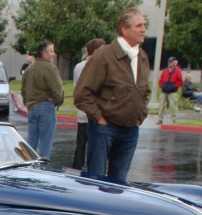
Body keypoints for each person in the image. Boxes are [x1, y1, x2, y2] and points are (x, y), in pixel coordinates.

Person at [74, 7, 151, 183]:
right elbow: (82, 93)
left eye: (144, 25)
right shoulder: (104, 55)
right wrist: (99, 118)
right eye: (138, 25)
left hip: (131, 130)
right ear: (124, 29)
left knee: (120, 183)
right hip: (104, 129)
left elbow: (144, 91)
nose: (143, 29)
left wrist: (141, 115)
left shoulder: (143, 57)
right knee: (97, 180)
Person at [21, 40, 64, 160]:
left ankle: (28, 168)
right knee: (46, 143)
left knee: (31, 143)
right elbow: (58, 90)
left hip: (32, 108)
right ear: (45, 54)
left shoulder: (29, 69)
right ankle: (43, 170)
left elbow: (23, 90)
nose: (54, 54)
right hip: (46, 106)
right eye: (52, 51)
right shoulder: (50, 68)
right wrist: (57, 101)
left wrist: (28, 103)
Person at [72, 38, 106, 170]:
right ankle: (93, 171)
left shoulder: (78, 66)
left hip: (82, 113)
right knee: (95, 147)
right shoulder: (96, 66)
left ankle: (76, 169)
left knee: (80, 145)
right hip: (95, 114)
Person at [156, 56, 184, 125]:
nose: (169, 63)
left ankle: (174, 120)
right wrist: (162, 86)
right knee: (161, 105)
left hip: (172, 91)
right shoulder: (165, 71)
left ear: (174, 62)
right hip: (164, 91)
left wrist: (174, 86)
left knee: (173, 106)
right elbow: (161, 80)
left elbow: (180, 81)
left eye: (171, 62)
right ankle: (160, 119)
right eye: (169, 62)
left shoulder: (178, 70)